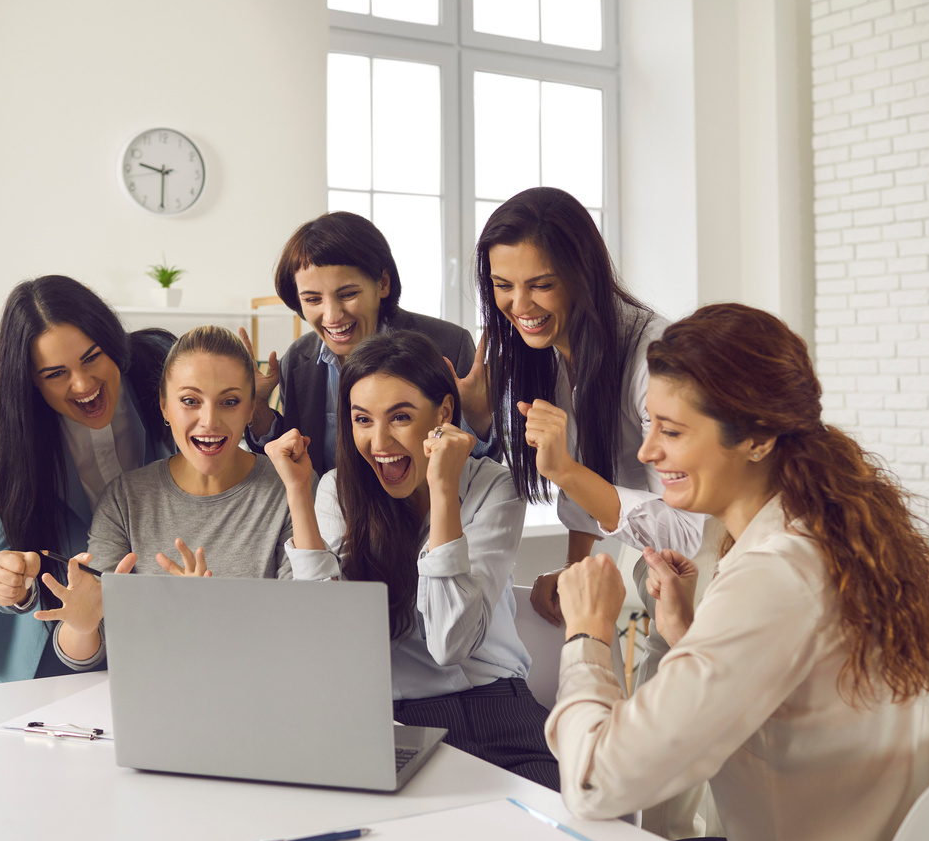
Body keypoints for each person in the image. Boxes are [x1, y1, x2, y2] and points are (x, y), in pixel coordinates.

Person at [546, 303, 929, 841]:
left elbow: (596, 783)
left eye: (671, 431)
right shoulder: (825, 530)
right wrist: (688, 634)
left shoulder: (776, 571)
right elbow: (790, 693)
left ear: (758, 439)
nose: (646, 452)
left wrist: (588, 637)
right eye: (649, 425)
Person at [266, 330, 558, 790]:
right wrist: (298, 494)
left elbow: (449, 645)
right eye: (362, 419)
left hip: (494, 710)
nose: (378, 440)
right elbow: (333, 643)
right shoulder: (336, 491)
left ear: (443, 413)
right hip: (385, 721)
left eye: (400, 417)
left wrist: (443, 490)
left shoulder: (493, 487)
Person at [472, 186, 704, 682]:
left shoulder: (655, 360)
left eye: (541, 284)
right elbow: (591, 479)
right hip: (659, 569)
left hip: (706, 576)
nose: (519, 304)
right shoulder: (552, 354)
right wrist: (575, 572)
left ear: (582, 275)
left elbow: (689, 531)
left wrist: (564, 470)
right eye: (502, 285)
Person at [0, 275, 176, 683]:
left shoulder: (160, 365)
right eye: (56, 374)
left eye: (92, 357)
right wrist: (8, 583)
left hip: (163, 614)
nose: (83, 384)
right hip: (52, 629)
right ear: (30, 380)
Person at [32, 326, 298, 670]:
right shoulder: (125, 499)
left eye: (229, 402)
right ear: (164, 406)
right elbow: (83, 656)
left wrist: (210, 612)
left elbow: (302, 627)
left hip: (261, 695)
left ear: (250, 409)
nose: (209, 420)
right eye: (190, 401)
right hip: (151, 699)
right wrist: (82, 626)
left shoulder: (287, 486)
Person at [244, 210, 494, 473]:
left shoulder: (448, 345)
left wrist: (478, 420)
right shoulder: (297, 358)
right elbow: (286, 461)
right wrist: (258, 408)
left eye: (348, 293)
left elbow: (478, 472)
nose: (332, 316)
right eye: (313, 300)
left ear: (383, 283)